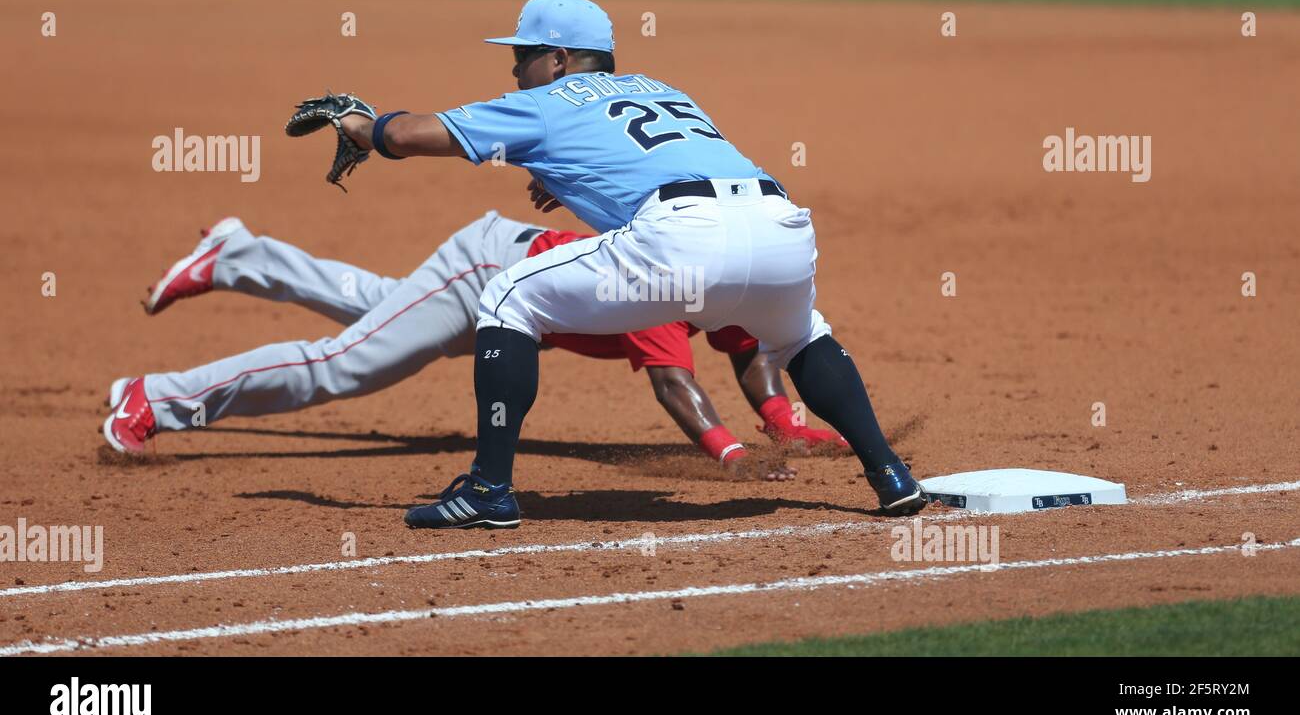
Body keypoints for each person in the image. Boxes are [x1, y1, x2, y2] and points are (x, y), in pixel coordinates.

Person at [323, 0, 926, 528]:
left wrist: (359, 123)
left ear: (558, 59)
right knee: (802, 336)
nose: (514, 64)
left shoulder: (544, 101)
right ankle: (891, 476)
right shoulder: (665, 90)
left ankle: (488, 489)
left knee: (507, 298)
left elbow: (406, 136)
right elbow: (650, 156)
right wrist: (565, 178)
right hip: (780, 227)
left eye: (525, 51)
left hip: (685, 239)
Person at [102, 213, 848, 484]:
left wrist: (781, 421)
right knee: (347, 363)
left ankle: (237, 255)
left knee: (380, 307)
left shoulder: (723, 276)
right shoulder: (658, 283)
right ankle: (157, 398)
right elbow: (673, 387)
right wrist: (729, 455)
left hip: (516, 301)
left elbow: (746, 350)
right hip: (485, 273)